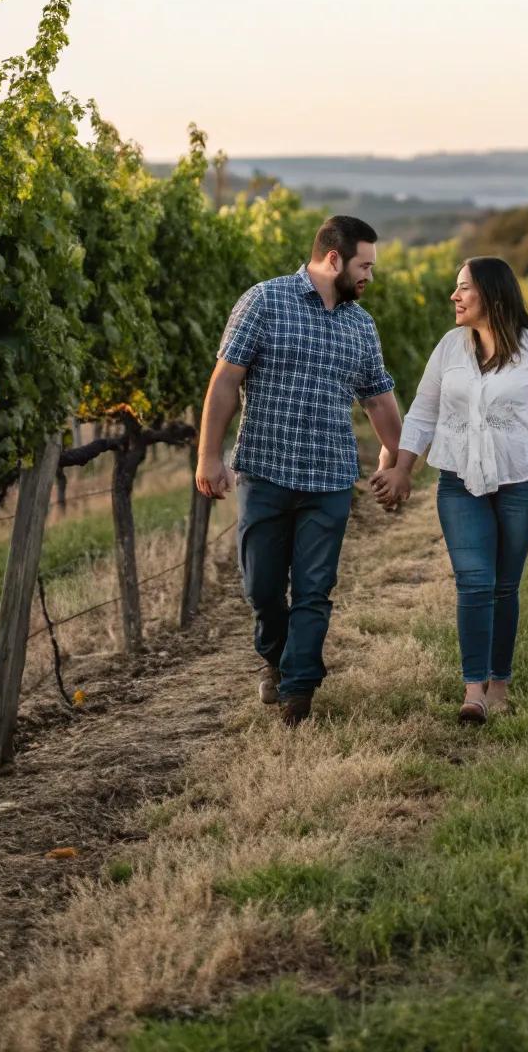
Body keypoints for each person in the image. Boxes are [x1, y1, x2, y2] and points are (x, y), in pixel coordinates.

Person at [195, 216, 402, 725]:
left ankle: (298, 691)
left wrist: (399, 460)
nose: (369, 277)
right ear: (334, 259)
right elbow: (225, 381)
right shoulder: (264, 301)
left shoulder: (360, 325)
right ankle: (276, 658)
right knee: (261, 588)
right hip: (265, 473)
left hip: (329, 480)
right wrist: (208, 455)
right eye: (363, 266)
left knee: (313, 589)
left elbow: (379, 400)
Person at [371, 256, 528, 722]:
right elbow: (423, 413)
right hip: (458, 481)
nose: (454, 296)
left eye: (464, 287)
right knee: (474, 581)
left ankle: (500, 682)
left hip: (524, 481)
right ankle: (474, 691)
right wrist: (403, 468)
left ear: (492, 294)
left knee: (504, 585)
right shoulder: (449, 347)